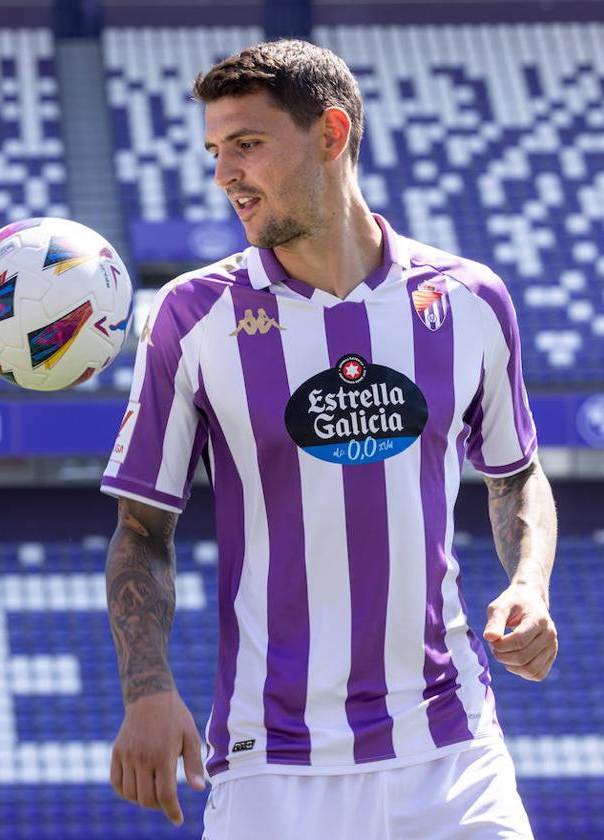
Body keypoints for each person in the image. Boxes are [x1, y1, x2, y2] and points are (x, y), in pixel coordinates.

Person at [100, 38, 558, 840]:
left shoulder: (469, 298)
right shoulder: (189, 317)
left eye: (246, 145)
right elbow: (142, 530)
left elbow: (516, 473)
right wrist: (146, 687)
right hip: (273, 767)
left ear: (332, 133)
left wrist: (530, 581)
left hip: (450, 752)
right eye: (214, 150)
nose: (223, 175)